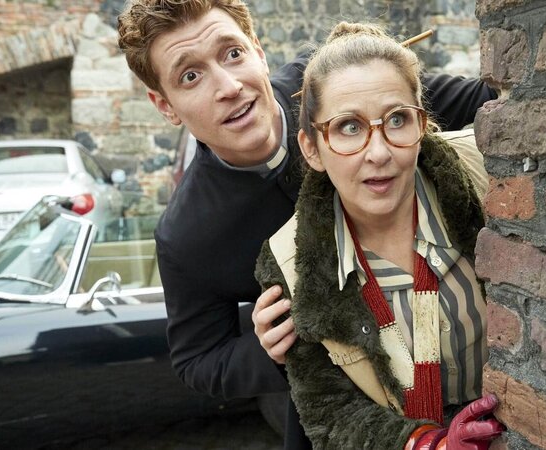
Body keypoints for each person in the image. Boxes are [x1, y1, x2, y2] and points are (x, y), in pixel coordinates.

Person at [116, 1, 497, 448]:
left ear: (258, 49)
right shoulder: (186, 235)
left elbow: (481, 103)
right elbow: (197, 360)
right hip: (341, 406)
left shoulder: (333, 82)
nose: (229, 86)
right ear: (166, 106)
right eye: (190, 76)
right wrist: (268, 350)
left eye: (232, 54)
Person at [255, 22, 503, 449]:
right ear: (312, 147)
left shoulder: (487, 176)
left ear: (421, 124)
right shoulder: (290, 266)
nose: (380, 152)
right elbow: (331, 413)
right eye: (349, 127)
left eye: (397, 119)